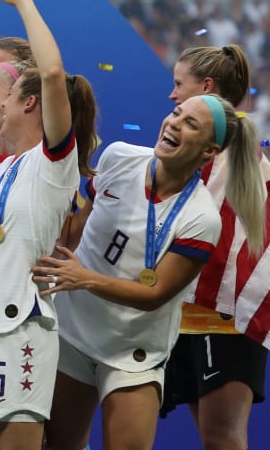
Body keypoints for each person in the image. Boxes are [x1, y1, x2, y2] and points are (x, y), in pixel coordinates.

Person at [37, 94, 265, 450]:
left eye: (191, 124)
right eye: (176, 113)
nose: (174, 123)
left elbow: (154, 294)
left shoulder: (201, 217)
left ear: (209, 151)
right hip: (73, 334)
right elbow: (76, 230)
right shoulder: (118, 157)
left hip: (134, 352)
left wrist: (84, 278)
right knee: (60, 444)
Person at [0, 0, 98, 449]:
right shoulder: (1, 170)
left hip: (19, 326)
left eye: (5, 94)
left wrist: (22, 0)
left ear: (29, 103)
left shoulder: (52, 164)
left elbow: (53, 73)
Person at [160, 44, 269, 450]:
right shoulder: (190, 149)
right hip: (185, 311)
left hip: (224, 315)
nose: (172, 96)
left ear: (205, 86)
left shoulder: (235, 150)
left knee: (223, 440)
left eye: (178, 84)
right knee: (213, 439)